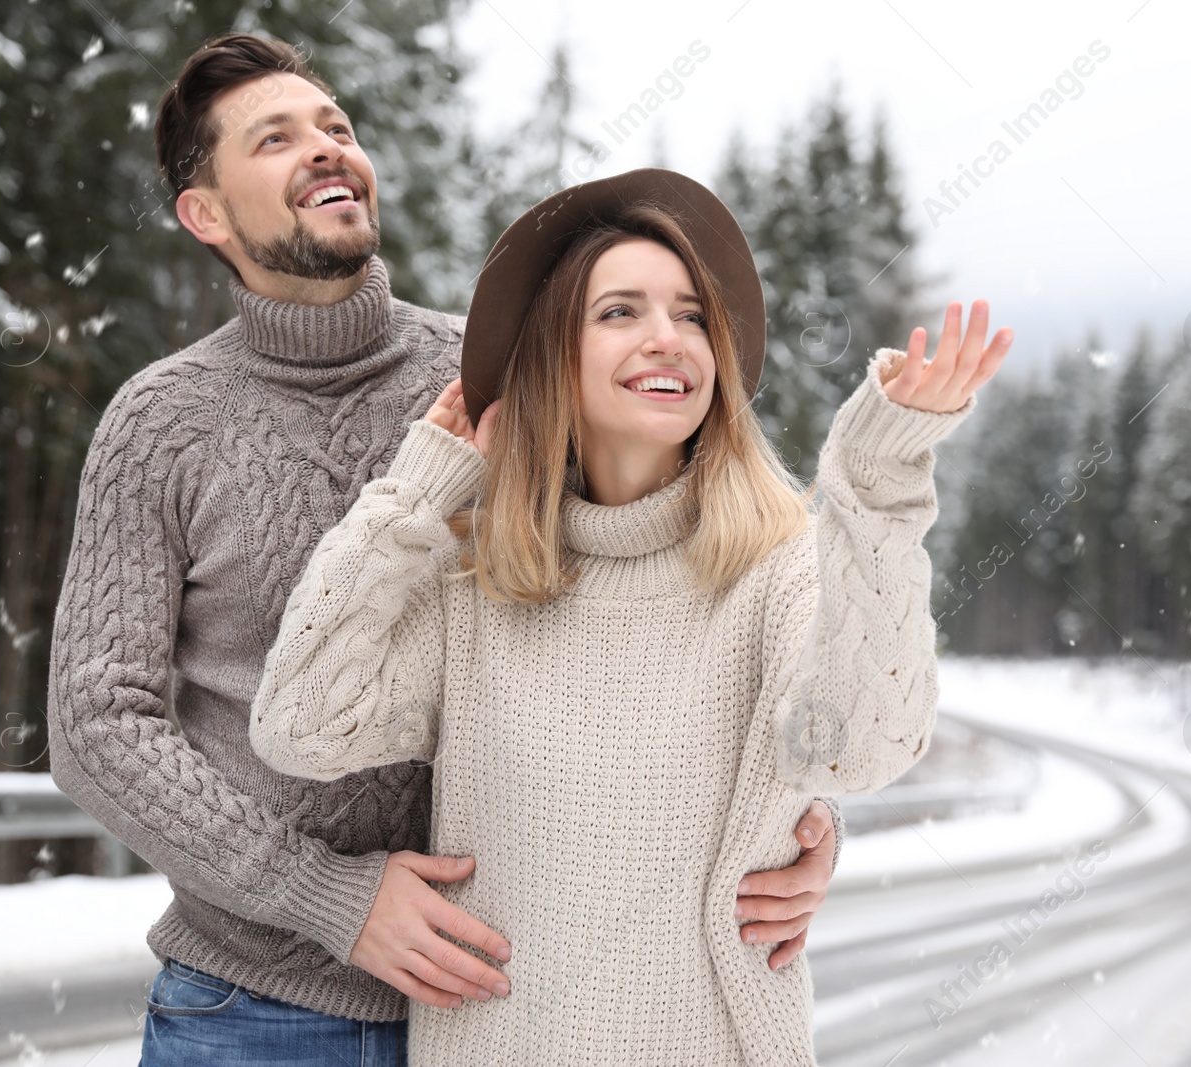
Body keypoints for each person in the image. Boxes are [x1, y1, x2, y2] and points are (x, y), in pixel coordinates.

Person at [44, 35, 844, 1067]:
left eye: (335, 126)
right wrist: (327, 895)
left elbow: (648, 610)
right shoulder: (161, 422)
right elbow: (97, 723)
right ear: (205, 214)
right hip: (255, 1010)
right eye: (275, 139)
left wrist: (792, 819)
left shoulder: (487, 379)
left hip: (501, 1003)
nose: (326, 148)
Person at [248, 169, 1011, 1065]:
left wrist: (876, 485)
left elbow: (862, 745)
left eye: (692, 315)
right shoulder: (474, 585)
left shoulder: (779, 566)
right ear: (551, 358)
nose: (669, 339)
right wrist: (418, 490)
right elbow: (299, 724)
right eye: (621, 312)